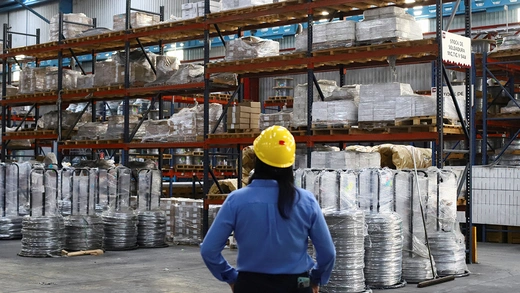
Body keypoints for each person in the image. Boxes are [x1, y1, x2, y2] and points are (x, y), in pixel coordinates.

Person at [200, 125, 336, 293]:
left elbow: (209, 250)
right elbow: (328, 253)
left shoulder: (236, 200)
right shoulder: (306, 201)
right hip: (297, 284)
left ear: (257, 158)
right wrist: (315, 279)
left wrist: (231, 277)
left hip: (250, 285)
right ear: (289, 162)